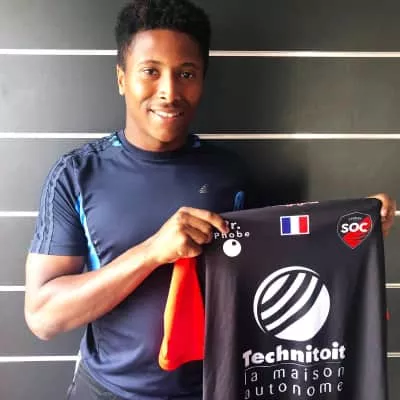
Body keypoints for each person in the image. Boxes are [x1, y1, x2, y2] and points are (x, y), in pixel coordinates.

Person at [24, 0, 396, 399]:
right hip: (107, 391)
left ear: (202, 80)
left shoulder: (230, 174)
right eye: (150, 71)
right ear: (121, 78)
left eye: (186, 74)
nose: (169, 92)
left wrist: (352, 227)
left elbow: (282, 257)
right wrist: (151, 252)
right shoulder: (77, 175)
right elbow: (43, 317)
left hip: (216, 388)